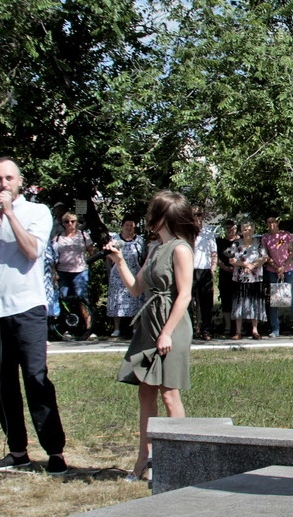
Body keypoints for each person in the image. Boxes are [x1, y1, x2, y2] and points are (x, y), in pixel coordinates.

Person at [0, 158, 68, 473]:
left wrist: (10, 218)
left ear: (19, 182)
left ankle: (55, 451)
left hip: (27, 307)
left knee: (35, 377)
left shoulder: (38, 212)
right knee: (4, 383)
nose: (3, 184)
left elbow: (32, 251)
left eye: (8, 178)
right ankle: (17, 451)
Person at [105, 190, 197, 482]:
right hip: (149, 323)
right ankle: (145, 460)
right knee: (145, 391)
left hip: (171, 324)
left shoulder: (181, 249)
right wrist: (119, 261)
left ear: (164, 216)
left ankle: (181, 462)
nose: (147, 218)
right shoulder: (156, 247)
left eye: (152, 213)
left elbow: (184, 295)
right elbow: (135, 288)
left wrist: (167, 332)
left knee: (169, 393)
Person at [53, 211, 96, 338]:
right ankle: (66, 328)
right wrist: (54, 273)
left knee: (82, 299)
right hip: (63, 272)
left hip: (80, 271)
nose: (70, 224)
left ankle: (88, 328)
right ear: (63, 223)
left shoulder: (83, 235)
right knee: (64, 299)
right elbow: (53, 256)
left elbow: (91, 252)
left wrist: (87, 264)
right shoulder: (57, 238)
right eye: (67, 222)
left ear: (76, 222)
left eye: (72, 221)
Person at [262, 216, 293, 337]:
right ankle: (275, 329)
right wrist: (276, 267)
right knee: (274, 300)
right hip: (272, 270)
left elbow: (291, 253)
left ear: (278, 223)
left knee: (292, 299)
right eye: (269, 222)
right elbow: (266, 255)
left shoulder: (286, 235)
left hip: (288, 269)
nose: (271, 224)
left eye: (273, 222)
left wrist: (283, 267)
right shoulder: (265, 238)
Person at [106, 216, 146, 338]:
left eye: (131, 226)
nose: (129, 228)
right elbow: (108, 257)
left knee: (135, 299)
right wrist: (109, 271)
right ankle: (116, 328)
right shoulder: (115, 239)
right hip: (117, 274)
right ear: (122, 226)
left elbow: (143, 256)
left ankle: (135, 327)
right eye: (127, 225)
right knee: (117, 300)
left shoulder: (139, 240)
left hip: (134, 272)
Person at [227, 221, 267, 340]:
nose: (247, 232)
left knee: (255, 303)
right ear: (241, 231)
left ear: (253, 230)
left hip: (255, 279)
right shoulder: (236, 243)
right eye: (245, 230)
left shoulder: (259, 243)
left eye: (249, 230)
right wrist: (244, 264)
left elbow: (264, 258)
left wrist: (252, 265)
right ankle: (238, 331)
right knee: (239, 303)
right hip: (240, 279)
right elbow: (231, 260)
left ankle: (255, 330)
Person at [191, 212, 218, 341]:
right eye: (194, 217)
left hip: (205, 270)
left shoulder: (208, 233)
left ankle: (206, 330)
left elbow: (214, 253)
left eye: (199, 217)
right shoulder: (186, 232)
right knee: (188, 303)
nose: (197, 220)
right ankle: (189, 330)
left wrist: (212, 268)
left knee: (206, 303)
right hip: (190, 270)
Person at [214, 220, 237, 336]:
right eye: (227, 228)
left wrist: (236, 267)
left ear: (235, 228)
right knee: (226, 300)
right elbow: (215, 257)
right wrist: (224, 267)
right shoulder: (219, 241)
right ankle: (227, 326)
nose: (229, 230)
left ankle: (239, 327)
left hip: (238, 274)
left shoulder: (239, 241)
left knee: (238, 300)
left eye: (231, 228)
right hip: (225, 274)